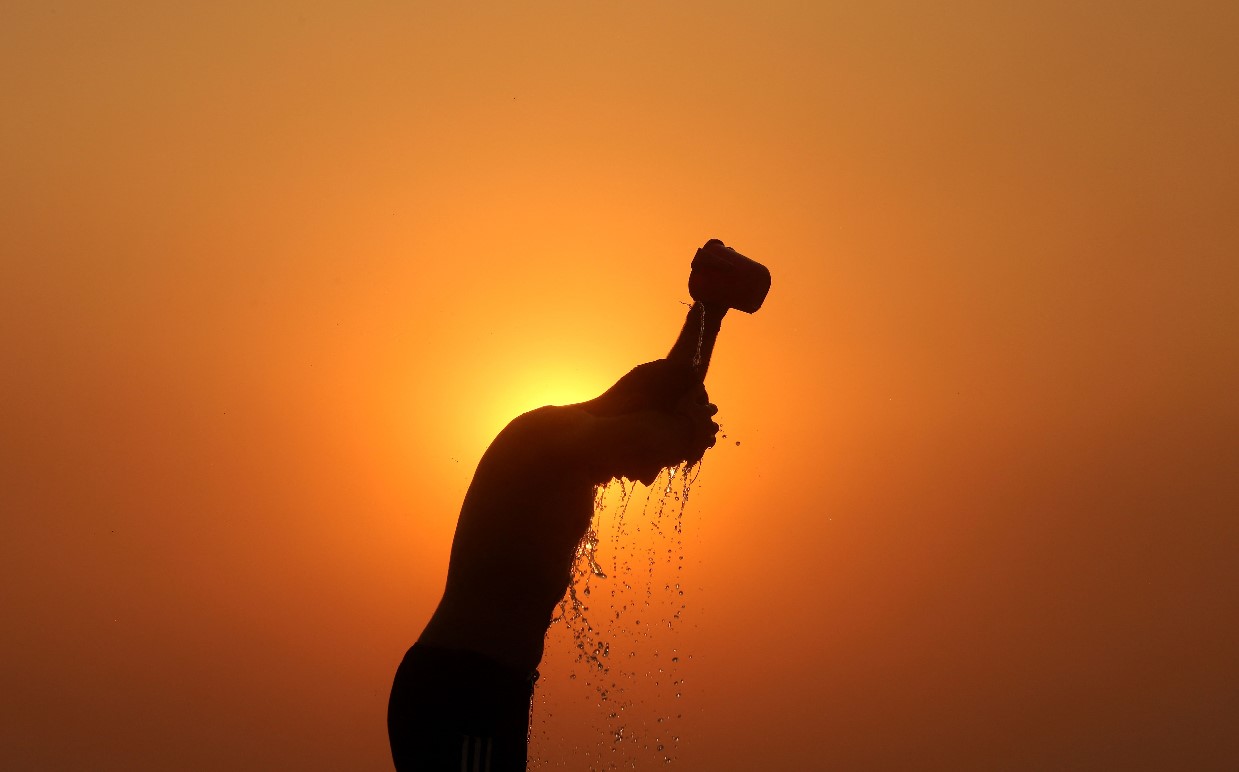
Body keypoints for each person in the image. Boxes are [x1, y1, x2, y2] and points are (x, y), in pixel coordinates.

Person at [388, 357, 720, 771]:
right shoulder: (548, 435)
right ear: (633, 408)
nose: (650, 475)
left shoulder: (578, 451)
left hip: (493, 690)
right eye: (652, 455)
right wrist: (687, 429)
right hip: (461, 688)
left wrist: (712, 309)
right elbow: (644, 423)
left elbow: (669, 384)